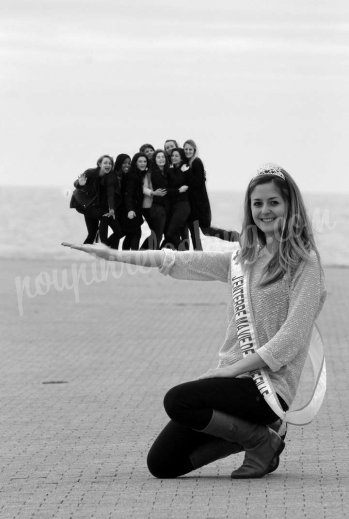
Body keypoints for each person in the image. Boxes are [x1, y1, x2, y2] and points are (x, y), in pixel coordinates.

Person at [63, 163, 326, 479]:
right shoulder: (245, 258)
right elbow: (178, 261)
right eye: (258, 203)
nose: (265, 210)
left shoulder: (304, 262)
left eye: (274, 202)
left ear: (290, 205)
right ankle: (264, 434)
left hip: (268, 388)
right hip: (235, 385)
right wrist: (115, 255)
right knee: (162, 464)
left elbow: (292, 338)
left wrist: (230, 370)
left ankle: (258, 439)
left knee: (179, 400)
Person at [69, 155, 117, 244]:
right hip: (81, 203)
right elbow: (76, 183)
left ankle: (86, 246)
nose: (108, 165)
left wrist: (111, 209)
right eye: (105, 163)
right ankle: (104, 244)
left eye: (110, 163)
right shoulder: (90, 172)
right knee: (104, 217)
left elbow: (110, 194)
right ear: (99, 164)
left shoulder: (109, 177)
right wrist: (80, 183)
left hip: (92, 205)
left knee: (92, 232)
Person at [161, 148, 190, 250]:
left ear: (182, 158)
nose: (173, 157)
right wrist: (178, 190)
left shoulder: (186, 170)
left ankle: (185, 255)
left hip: (183, 206)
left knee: (171, 233)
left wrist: (186, 172)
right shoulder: (169, 171)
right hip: (172, 207)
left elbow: (193, 184)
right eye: (172, 156)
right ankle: (181, 256)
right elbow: (166, 190)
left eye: (176, 156)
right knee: (172, 234)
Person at [141, 149, 170, 250]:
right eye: (158, 157)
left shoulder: (168, 172)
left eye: (163, 157)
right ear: (155, 160)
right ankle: (152, 254)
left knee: (158, 233)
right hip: (155, 206)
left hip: (165, 206)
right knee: (157, 234)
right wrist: (153, 193)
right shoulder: (150, 173)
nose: (161, 159)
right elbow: (143, 188)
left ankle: (142, 251)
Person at [122, 153, 148, 250]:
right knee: (136, 233)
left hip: (136, 209)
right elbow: (128, 194)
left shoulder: (139, 174)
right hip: (131, 209)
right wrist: (130, 210)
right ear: (135, 163)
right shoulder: (133, 176)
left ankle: (125, 256)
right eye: (140, 161)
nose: (143, 163)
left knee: (130, 234)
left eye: (145, 161)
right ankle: (134, 255)